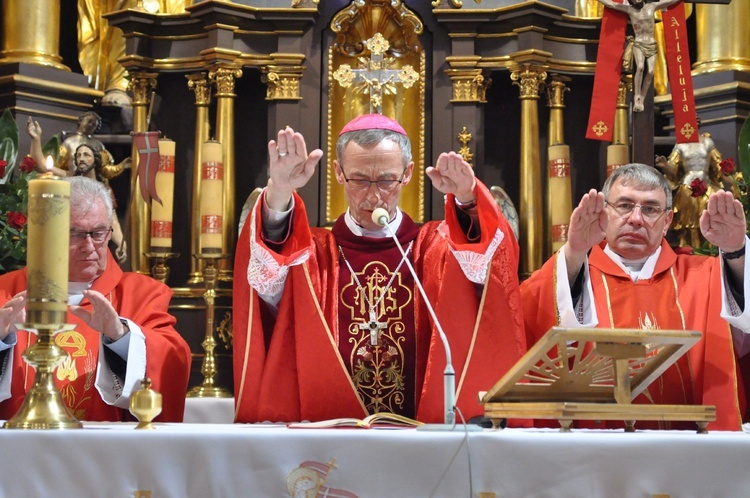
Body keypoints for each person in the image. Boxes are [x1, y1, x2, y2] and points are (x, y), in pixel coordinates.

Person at [233, 114, 528, 424]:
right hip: (331, 434)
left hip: (420, 435)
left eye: (387, 180)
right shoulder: (313, 256)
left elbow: (494, 273)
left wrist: (468, 201)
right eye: (359, 179)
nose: (373, 195)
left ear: (407, 174)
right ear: (338, 173)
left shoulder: (433, 249)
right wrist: (279, 192)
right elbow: (268, 283)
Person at [521, 163, 748, 430]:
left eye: (650, 209)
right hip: (598, 448)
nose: (636, 219)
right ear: (604, 212)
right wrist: (574, 251)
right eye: (625, 205)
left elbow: (743, 333)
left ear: (666, 223)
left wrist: (735, 251)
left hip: (687, 449)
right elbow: (526, 317)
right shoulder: (574, 272)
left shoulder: (702, 275)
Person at [0, 176, 191, 422]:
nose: (89, 246)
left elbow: (173, 358)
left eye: (98, 233)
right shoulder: (6, 293)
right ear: (48, 233)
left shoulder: (142, 294)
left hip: (104, 452)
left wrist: (121, 337)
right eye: (75, 233)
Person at [27, 117, 128, 264]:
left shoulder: (103, 188)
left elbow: (112, 221)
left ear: (96, 160)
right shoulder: (69, 182)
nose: (81, 159)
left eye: (86, 155)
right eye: (78, 155)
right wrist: (36, 139)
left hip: (94, 248)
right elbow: (42, 166)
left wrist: (121, 243)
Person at [655, 131, 735, 250]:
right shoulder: (680, 144)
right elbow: (674, 172)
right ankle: (691, 253)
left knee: (711, 221)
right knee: (688, 226)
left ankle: (710, 253)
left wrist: (734, 180)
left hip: (707, 188)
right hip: (687, 189)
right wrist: (665, 165)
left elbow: (718, 166)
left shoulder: (707, 142)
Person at [598, 0, 681, 112]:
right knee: (640, 67)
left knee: (651, 71)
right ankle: (637, 96)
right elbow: (611, 4)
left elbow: (669, 1)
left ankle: (642, 97)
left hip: (651, 44)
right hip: (639, 43)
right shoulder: (630, 10)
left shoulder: (652, 6)